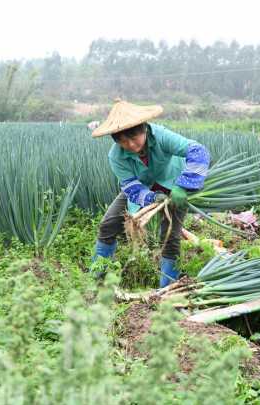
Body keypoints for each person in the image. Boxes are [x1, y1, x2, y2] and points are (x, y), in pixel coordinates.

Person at [90, 100, 210, 288]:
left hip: (174, 186)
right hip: (142, 187)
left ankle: (166, 288)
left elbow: (198, 151)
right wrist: (152, 197)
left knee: (170, 237)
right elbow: (130, 187)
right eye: (122, 141)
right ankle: (96, 280)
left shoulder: (161, 136)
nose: (130, 144)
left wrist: (184, 186)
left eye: (134, 138)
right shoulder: (115, 156)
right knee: (108, 224)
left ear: (144, 129)